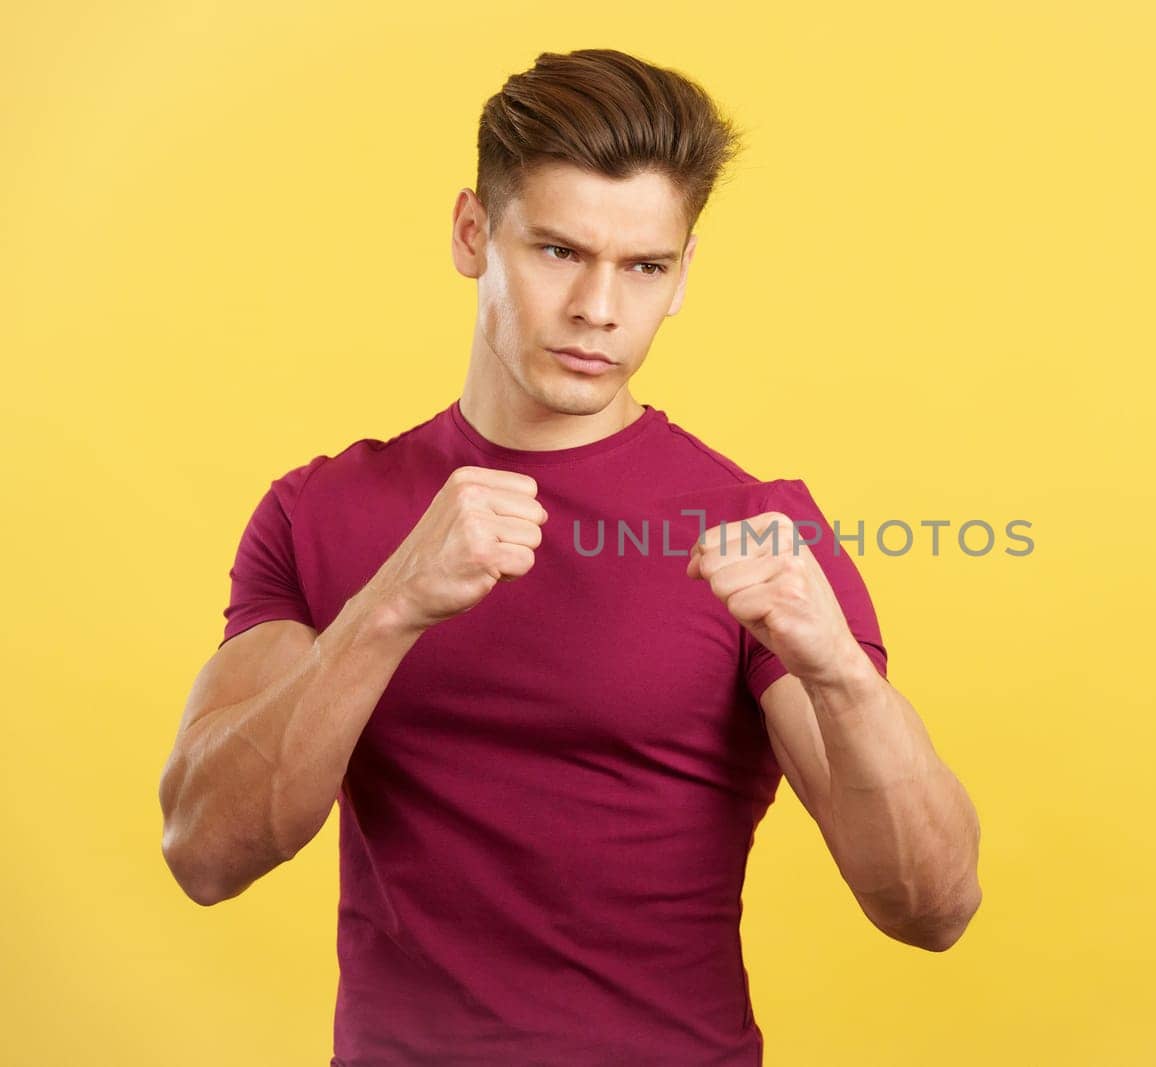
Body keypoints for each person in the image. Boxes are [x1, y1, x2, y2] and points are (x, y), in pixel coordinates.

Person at [157, 47, 981, 1066]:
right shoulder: (320, 511)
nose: (600, 307)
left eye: (645, 266)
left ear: (682, 276)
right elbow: (203, 849)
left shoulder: (757, 529)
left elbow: (932, 906)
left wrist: (839, 674)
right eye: (558, 252)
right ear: (473, 234)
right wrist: (391, 607)